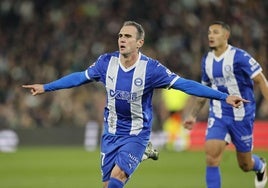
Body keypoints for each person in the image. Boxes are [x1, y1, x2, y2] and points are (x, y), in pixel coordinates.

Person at [22, 21, 247, 188]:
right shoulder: (105, 63)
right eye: (120, 35)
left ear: (139, 43)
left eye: (128, 36)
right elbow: (79, 77)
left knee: (116, 179)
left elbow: (185, 84)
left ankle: (140, 149)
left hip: (137, 133)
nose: (122, 39)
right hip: (110, 133)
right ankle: (143, 153)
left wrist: (222, 96)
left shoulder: (152, 69)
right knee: (108, 184)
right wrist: (46, 87)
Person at [183, 21, 267, 188]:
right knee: (211, 157)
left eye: (215, 32)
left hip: (242, 116)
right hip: (219, 115)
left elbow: (261, 80)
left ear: (226, 35)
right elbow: (204, 90)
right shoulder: (206, 60)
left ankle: (260, 166)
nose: (211, 36)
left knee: (245, 165)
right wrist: (193, 115)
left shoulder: (239, 56)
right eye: (209, 32)